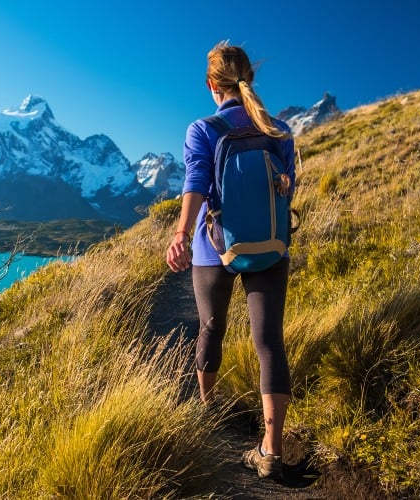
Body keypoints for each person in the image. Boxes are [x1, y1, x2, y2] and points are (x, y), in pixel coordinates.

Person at [165, 40, 295, 480]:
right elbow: (287, 188)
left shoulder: (202, 129)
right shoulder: (280, 130)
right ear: (249, 80)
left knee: (210, 326)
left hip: (212, 248)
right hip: (272, 248)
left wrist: (182, 232)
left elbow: (196, 182)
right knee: (269, 342)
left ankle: (208, 409)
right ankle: (271, 450)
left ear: (211, 84)